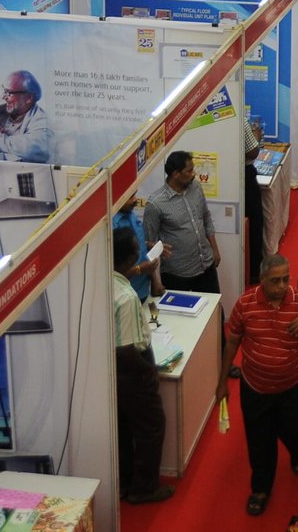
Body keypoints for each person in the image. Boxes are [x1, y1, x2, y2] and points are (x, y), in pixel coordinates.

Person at [219, 254, 298, 517]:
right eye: (275, 281)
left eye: (285, 279)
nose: (281, 286)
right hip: (255, 388)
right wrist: (222, 382)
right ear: (262, 280)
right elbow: (232, 342)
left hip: (293, 386)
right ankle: (260, 489)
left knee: (296, 431)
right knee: (259, 440)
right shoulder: (245, 304)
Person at [110, 228, 175, 504]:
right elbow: (125, 349)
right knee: (152, 427)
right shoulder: (126, 298)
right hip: (133, 369)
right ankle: (144, 489)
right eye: (137, 250)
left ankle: (125, 484)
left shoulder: (107, 283)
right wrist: (149, 371)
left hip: (116, 372)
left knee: (124, 429)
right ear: (128, 259)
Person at [146, 150, 221, 293]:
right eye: (189, 170)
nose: (194, 174)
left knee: (215, 307)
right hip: (176, 274)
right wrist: (155, 282)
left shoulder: (196, 187)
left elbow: (206, 217)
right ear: (175, 174)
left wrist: (215, 250)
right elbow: (149, 245)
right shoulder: (155, 204)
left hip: (206, 265)